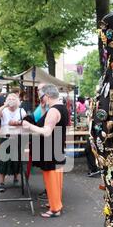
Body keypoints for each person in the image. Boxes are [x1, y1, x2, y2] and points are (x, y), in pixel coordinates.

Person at [22, 84, 68, 218]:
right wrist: (42, 111)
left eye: (41, 97)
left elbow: (47, 132)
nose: (41, 99)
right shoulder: (60, 108)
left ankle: (55, 209)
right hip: (56, 147)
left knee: (51, 179)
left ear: (47, 96)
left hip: (51, 149)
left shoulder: (54, 110)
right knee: (56, 179)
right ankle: (55, 203)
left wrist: (29, 126)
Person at [0, 94, 27, 192]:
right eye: (9, 99)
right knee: (3, 159)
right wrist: (5, 105)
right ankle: (1, 182)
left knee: (16, 159)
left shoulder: (21, 111)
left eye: (13, 99)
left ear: (17, 101)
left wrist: (17, 123)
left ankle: (16, 178)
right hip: (4, 137)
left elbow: (26, 123)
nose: (11, 100)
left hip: (17, 138)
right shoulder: (4, 110)